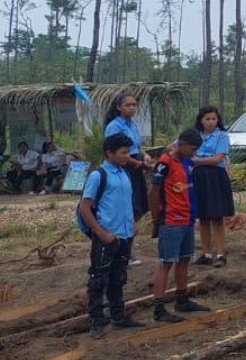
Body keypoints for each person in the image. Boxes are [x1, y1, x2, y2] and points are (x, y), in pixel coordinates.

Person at [79, 133, 143, 338]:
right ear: (109, 153)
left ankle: (118, 315)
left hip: (124, 235)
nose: (126, 156)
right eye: (123, 153)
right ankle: (97, 321)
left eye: (128, 153)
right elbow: (85, 207)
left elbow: (126, 202)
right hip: (107, 236)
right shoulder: (99, 176)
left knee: (119, 276)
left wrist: (132, 223)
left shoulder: (124, 174)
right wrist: (100, 232)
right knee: (99, 279)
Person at [148, 131, 212, 323]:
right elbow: (153, 192)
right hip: (171, 220)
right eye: (192, 149)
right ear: (182, 144)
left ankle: (182, 299)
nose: (194, 153)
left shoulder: (187, 162)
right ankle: (159, 308)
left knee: (184, 259)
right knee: (166, 262)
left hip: (188, 218)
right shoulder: (164, 163)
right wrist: (155, 218)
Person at [185, 106, 233, 269]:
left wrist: (195, 160)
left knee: (217, 216)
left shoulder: (222, 136)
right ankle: (205, 254)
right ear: (200, 120)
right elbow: (177, 147)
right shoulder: (194, 135)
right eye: (207, 119)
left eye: (214, 119)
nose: (211, 122)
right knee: (203, 216)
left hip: (215, 176)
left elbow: (218, 158)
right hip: (198, 177)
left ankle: (220, 254)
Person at [102, 94, 151, 252]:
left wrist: (144, 155)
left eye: (134, 105)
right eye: (128, 105)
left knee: (140, 205)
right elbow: (118, 152)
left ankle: (127, 245)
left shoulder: (133, 124)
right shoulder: (114, 126)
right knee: (129, 204)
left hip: (136, 164)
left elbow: (134, 146)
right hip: (124, 166)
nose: (132, 108)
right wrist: (137, 163)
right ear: (119, 107)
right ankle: (123, 248)